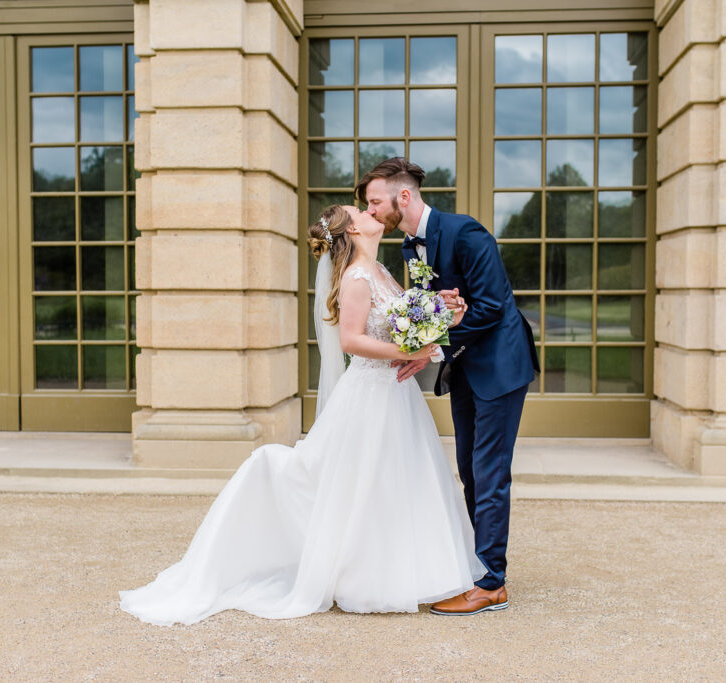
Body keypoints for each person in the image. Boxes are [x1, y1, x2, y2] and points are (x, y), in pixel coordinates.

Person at [119, 204, 483, 624]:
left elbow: (402, 321)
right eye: (360, 211)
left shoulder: (380, 271)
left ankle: (410, 569)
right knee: (365, 481)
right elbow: (351, 340)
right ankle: (362, 576)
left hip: (395, 396)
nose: (370, 211)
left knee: (396, 478)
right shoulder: (356, 278)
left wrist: (439, 312)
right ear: (352, 232)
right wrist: (407, 351)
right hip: (370, 395)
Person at [355, 158, 539, 616]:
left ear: (403, 196)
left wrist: (429, 347)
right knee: (469, 469)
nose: (372, 212)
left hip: (498, 366)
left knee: (490, 470)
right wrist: (434, 318)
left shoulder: (466, 232)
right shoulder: (408, 248)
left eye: (375, 202)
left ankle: (492, 583)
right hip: (461, 366)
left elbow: (493, 307)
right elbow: (430, 306)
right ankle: (477, 564)